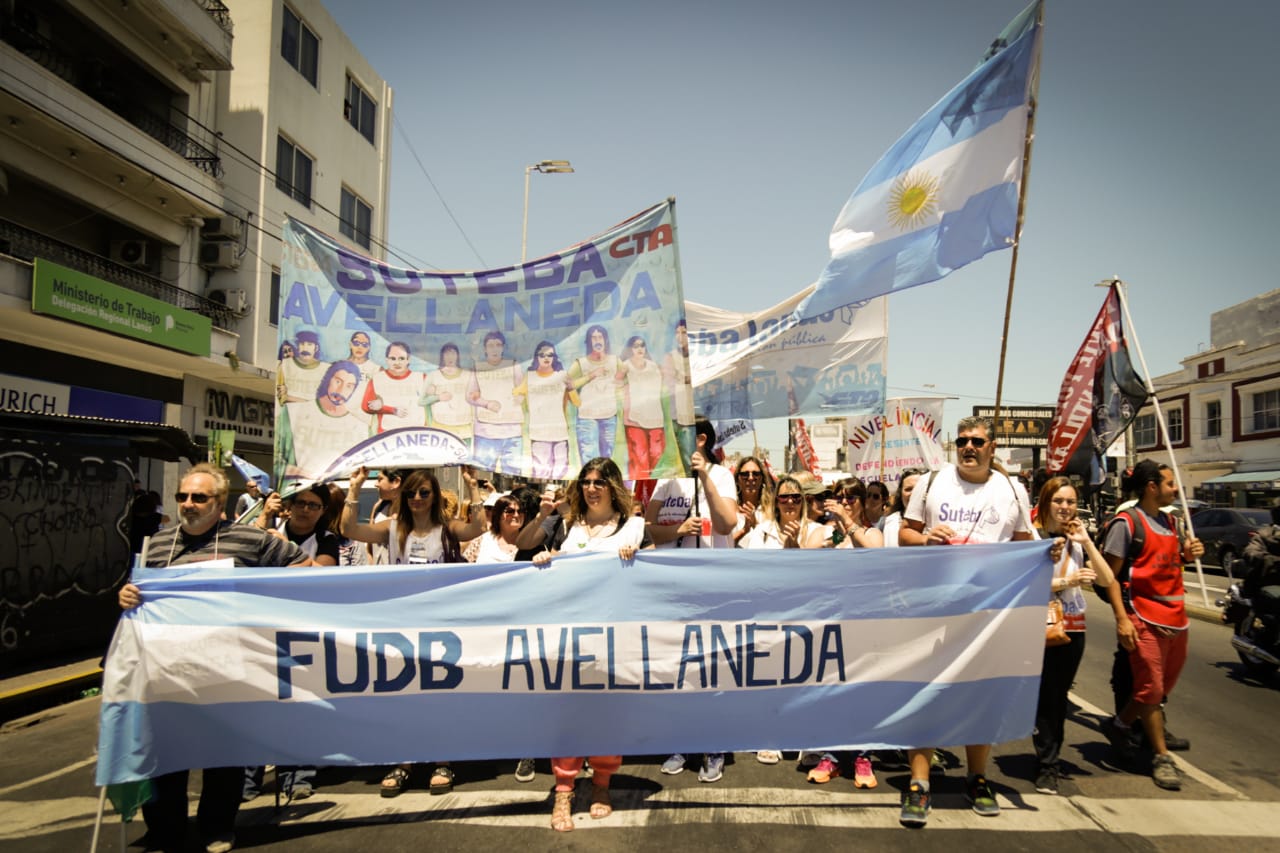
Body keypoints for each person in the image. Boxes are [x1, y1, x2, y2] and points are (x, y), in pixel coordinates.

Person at [117, 463, 310, 853]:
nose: (188, 504)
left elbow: (301, 566)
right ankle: (165, 829)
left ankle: (217, 826)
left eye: (199, 497)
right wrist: (126, 596)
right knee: (165, 752)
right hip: (167, 666)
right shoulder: (157, 544)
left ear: (219, 503)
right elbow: (136, 590)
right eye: (183, 497)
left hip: (225, 665)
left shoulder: (248, 540)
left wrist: (260, 602)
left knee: (223, 755)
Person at [897, 416, 1044, 828]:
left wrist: (1049, 551)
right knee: (927, 696)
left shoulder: (1012, 489)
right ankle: (919, 784)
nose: (968, 447)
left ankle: (977, 778)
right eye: (961, 440)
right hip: (935, 611)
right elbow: (904, 536)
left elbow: (1024, 546)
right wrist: (926, 539)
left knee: (980, 697)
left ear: (992, 446)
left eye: (976, 441)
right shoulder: (931, 482)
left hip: (987, 616)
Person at [339, 465, 485, 797]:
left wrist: (473, 488)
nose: (417, 498)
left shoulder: (447, 529)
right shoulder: (392, 528)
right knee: (402, 695)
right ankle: (402, 761)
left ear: (434, 497)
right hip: (401, 624)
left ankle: (443, 761)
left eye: (424, 493)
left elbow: (478, 527)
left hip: (442, 625)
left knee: (439, 695)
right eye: (411, 493)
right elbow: (348, 528)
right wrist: (354, 488)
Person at [533, 457, 649, 831]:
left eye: (599, 481)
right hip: (571, 637)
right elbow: (562, 565)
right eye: (586, 481)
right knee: (567, 716)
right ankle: (564, 790)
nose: (591, 487)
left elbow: (652, 580)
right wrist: (547, 559)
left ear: (612, 486)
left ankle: (601, 785)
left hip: (613, 639)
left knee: (604, 715)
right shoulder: (571, 525)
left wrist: (639, 559)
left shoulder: (633, 526)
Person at [1099, 460, 1204, 791]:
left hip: (1176, 618)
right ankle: (1161, 756)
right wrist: (1122, 618)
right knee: (1151, 689)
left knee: (1159, 690)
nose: (1176, 489)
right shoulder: (1127, 524)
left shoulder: (1172, 522)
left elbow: (1170, 564)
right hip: (1143, 619)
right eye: (1171, 483)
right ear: (1151, 487)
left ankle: (1120, 725)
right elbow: (1108, 578)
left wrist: (1187, 554)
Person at [646, 417, 738, 783]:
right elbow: (650, 527)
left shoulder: (722, 475)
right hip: (673, 588)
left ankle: (713, 746)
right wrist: (677, 530)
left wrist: (704, 479)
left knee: (711, 668)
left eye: (680, 435)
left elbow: (728, 523)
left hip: (713, 586)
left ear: (700, 440)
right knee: (678, 667)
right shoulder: (666, 479)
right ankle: (680, 741)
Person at [1030, 477, 1116, 795]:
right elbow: (1025, 584)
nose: (1065, 507)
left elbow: (1107, 580)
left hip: (1072, 628)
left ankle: (1048, 757)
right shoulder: (1034, 536)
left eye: (1070, 501)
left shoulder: (1078, 539)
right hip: (1039, 625)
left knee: (1058, 696)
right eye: (1059, 501)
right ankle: (1047, 764)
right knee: (1047, 697)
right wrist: (1068, 581)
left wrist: (1087, 541)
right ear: (1046, 501)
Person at [277, 360, 371, 480]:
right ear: (327, 380)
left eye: (349, 386)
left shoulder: (362, 428)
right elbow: (278, 462)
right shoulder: (292, 413)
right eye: (338, 381)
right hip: (301, 491)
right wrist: (311, 476)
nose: (341, 390)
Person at [514, 340, 578, 479]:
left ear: (555, 357)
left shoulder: (562, 375)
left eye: (550, 355)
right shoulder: (530, 376)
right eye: (542, 355)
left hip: (560, 432)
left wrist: (571, 388)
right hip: (539, 434)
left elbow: (576, 402)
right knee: (541, 473)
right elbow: (516, 395)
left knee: (560, 473)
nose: (546, 358)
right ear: (536, 357)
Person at [468, 330, 525, 475]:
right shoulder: (478, 367)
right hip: (486, 431)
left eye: (498, 345)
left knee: (513, 475)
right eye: (490, 345)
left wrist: (520, 396)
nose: (494, 349)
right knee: (482, 475)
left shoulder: (513, 365)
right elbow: (469, 396)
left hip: (512, 431)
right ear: (485, 348)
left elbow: (523, 389)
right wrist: (486, 403)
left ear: (503, 347)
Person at [616, 334, 666, 479]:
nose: (640, 348)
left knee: (656, 454)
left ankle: (654, 486)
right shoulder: (626, 365)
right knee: (639, 457)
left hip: (655, 417)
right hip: (634, 417)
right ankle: (640, 492)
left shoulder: (654, 366)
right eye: (636, 345)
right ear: (630, 348)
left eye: (642, 345)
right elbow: (615, 383)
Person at [568, 324, 620, 463]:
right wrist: (590, 376)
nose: (597, 340)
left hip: (609, 416)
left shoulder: (615, 361)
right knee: (589, 459)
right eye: (593, 337)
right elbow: (568, 383)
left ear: (605, 340)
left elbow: (628, 379)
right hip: (587, 417)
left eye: (600, 337)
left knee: (607, 459)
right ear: (589, 341)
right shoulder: (581, 363)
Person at [255, 485, 340, 566]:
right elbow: (247, 550)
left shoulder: (326, 539)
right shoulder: (273, 526)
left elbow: (322, 574)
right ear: (290, 505)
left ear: (323, 510)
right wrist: (264, 516)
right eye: (300, 503)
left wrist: (289, 549)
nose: (305, 510)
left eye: (313, 505)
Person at [362, 341, 427, 433]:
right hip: (387, 433)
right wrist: (391, 410)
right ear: (387, 360)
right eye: (393, 358)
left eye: (401, 358)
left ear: (408, 359)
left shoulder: (421, 378)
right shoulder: (378, 379)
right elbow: (365, 406)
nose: (397, 362)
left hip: (417, 433)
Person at [422, 342, 474, 446]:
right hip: (440, 428)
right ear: (442, 356)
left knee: (464, 459)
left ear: (458, 356)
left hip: (463, 429)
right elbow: (424, 403)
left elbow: (475, 400)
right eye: (447, 354)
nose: (450, 357)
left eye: (453, 353)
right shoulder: (434, 376)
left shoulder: (468, 375)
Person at [661, 319, 697, 466]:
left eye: (684, 332)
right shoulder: (670, 356)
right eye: (677, 332)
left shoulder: (698, 357)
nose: (680, 336)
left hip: (697, 415)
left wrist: (683, 378)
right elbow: (668, 384)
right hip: (680, 417)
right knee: (686, 461)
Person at [275, 330, 329, 404]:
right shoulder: (285, 366)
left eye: (309, 344)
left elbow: (328, 402)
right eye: (302, 344)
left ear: (316, 348)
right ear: (298, 347)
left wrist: (289, 397)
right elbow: (281, 398)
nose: (305, 348)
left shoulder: (326, 369)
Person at [731, 456, 774, 548]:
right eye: (745, 474)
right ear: (737, 479)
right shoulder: (729, 510)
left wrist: (756, 525)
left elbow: (774, 545)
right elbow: (722, 545)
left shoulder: (773, 510)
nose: (750, 478)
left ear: (762, 479)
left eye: (756, 474)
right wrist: (743, 531)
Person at [881, 468, 926, 548]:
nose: (913, 493)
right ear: (900, 495)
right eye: (908, 489)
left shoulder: (935, 519)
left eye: (918, 489)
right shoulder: (891, 522)